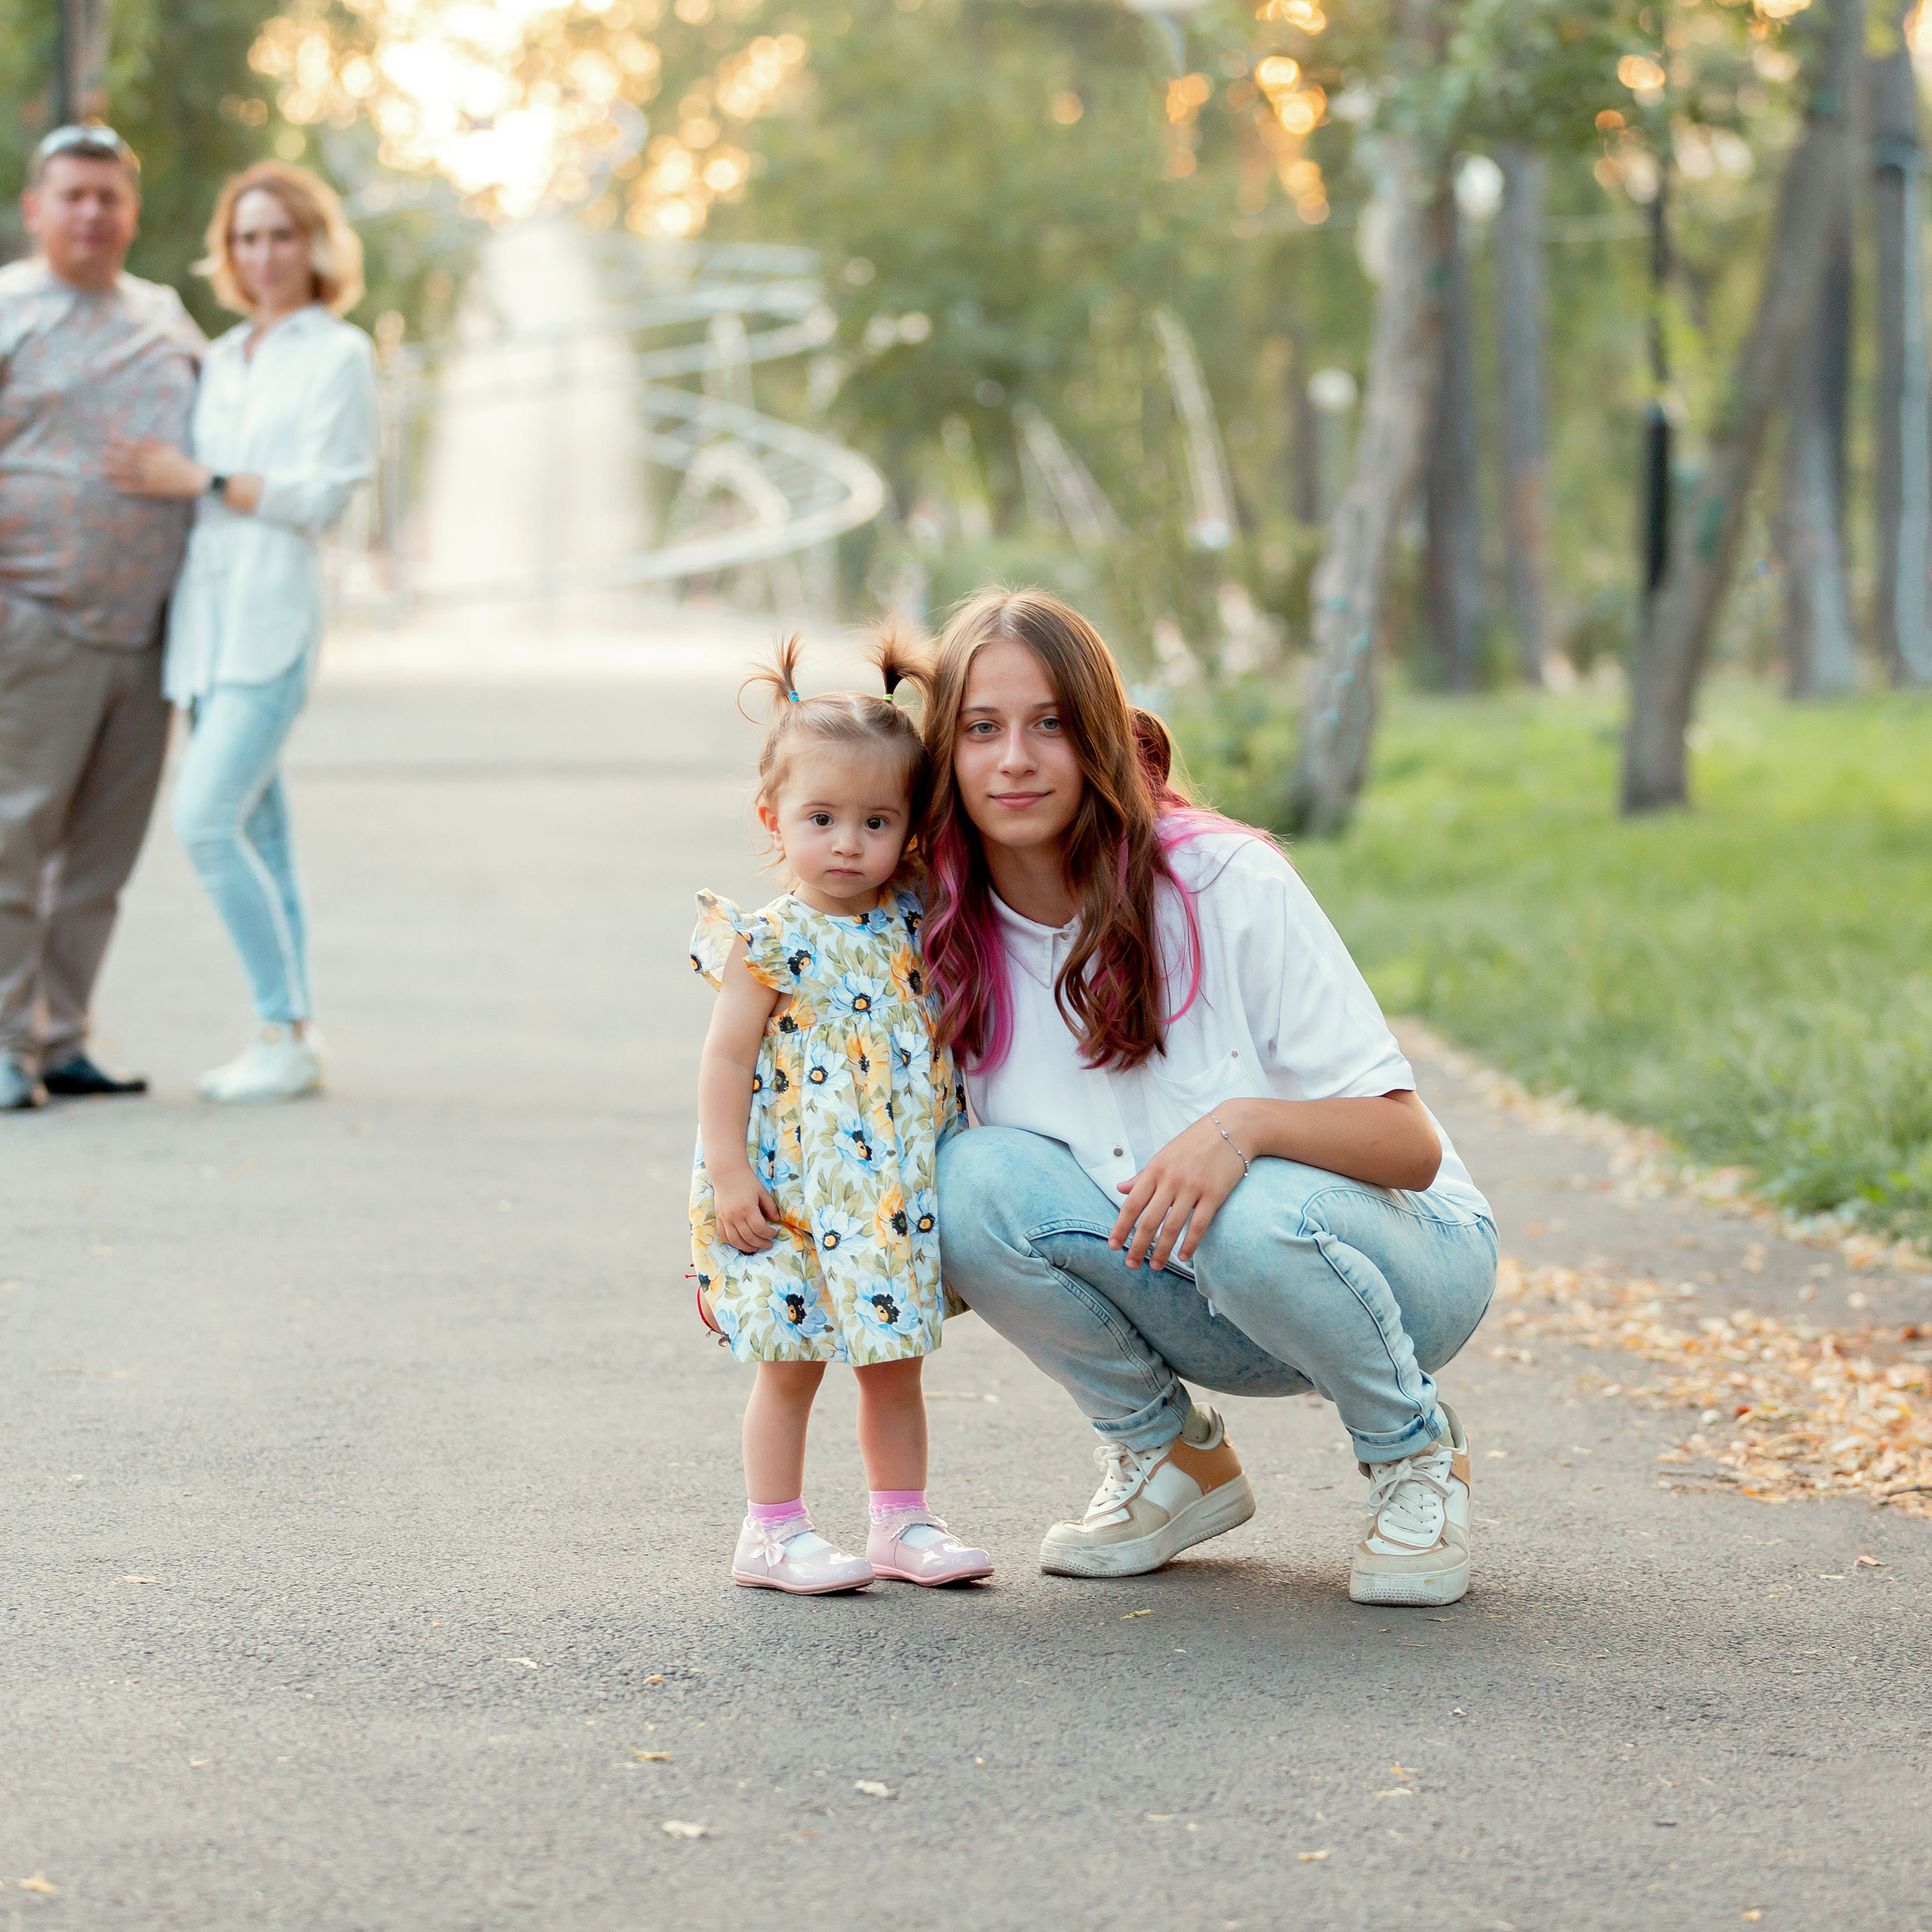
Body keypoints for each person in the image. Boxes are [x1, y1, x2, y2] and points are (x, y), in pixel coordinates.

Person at [926, 590, 1497, 1607]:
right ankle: (1167, 1460)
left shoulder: (1226, 879)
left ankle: (1415, 1458)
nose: (1014, 759)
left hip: (1396, 1263)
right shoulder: (945, 933)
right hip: (1185, 1282)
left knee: (1245, 1203)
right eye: (982, 729)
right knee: (963, 1180)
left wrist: (1242, 1129)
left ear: (1099, 736)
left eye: (1050, 723)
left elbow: (1408, 1148)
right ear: (947, 755)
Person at [688, 635, 991, 1595]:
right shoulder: (770, 938)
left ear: (909, 829)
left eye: (874, 820)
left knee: (892, 1360)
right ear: (774, 817)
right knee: (792, 1362)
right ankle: (770, 1533)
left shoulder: (912, 914)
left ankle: (901, 1520)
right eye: (822, 818)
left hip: (887, 1197)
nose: (848, 843)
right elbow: (726, 1058)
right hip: (789, 1192)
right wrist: (729, 1172)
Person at [103, 162, 377, 1103]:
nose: (263, 255)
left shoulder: (338, 353)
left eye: (281, 236)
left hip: (270, 619)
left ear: (315, 246)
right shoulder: (219, 358)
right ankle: (292, 1037)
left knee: (206, 819)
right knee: (264, 835)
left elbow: (323, 495)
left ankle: (279, 1024)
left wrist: (207, 479)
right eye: (246, 238)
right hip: (203, 628)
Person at [0, 126, 205, 1112]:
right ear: (36, 208)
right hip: (33, 620)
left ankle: (61, 1039)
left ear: (130, 210)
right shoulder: (7, 309)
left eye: (108, 197)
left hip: (148, 631)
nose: (91, 213)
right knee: (13, 841)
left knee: (100, 860)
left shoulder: (164, 315)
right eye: (72, 195)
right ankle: (3, 1043)